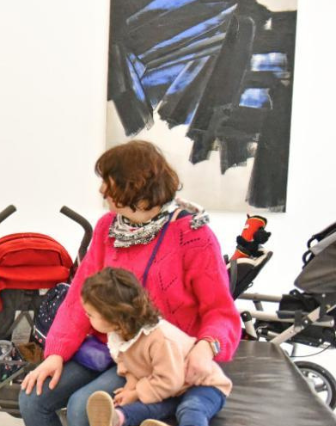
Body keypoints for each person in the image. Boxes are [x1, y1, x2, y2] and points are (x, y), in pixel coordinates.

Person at [18, 140, 241, 426]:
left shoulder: (192, 234)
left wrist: (206, 347)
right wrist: (56, 353)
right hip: (107, 346)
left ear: (134, 185)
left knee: (82, 408)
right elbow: (79, 298)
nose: (101, 191)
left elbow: (220, 312)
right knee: (32, 398)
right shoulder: (106, 227)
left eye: (108, 182)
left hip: (152, 354)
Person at [81, 268, 231, 426]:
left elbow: (169, 381)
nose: (86, 316)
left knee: (191, 408)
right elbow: (125, 363)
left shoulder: (160, 339)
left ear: (114, 316)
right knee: (144, 408)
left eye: (90, 314)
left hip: (202, 385)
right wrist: (130, 387)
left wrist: (137, 392)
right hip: (171, 388)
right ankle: (115, 419)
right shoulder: (117, 334)